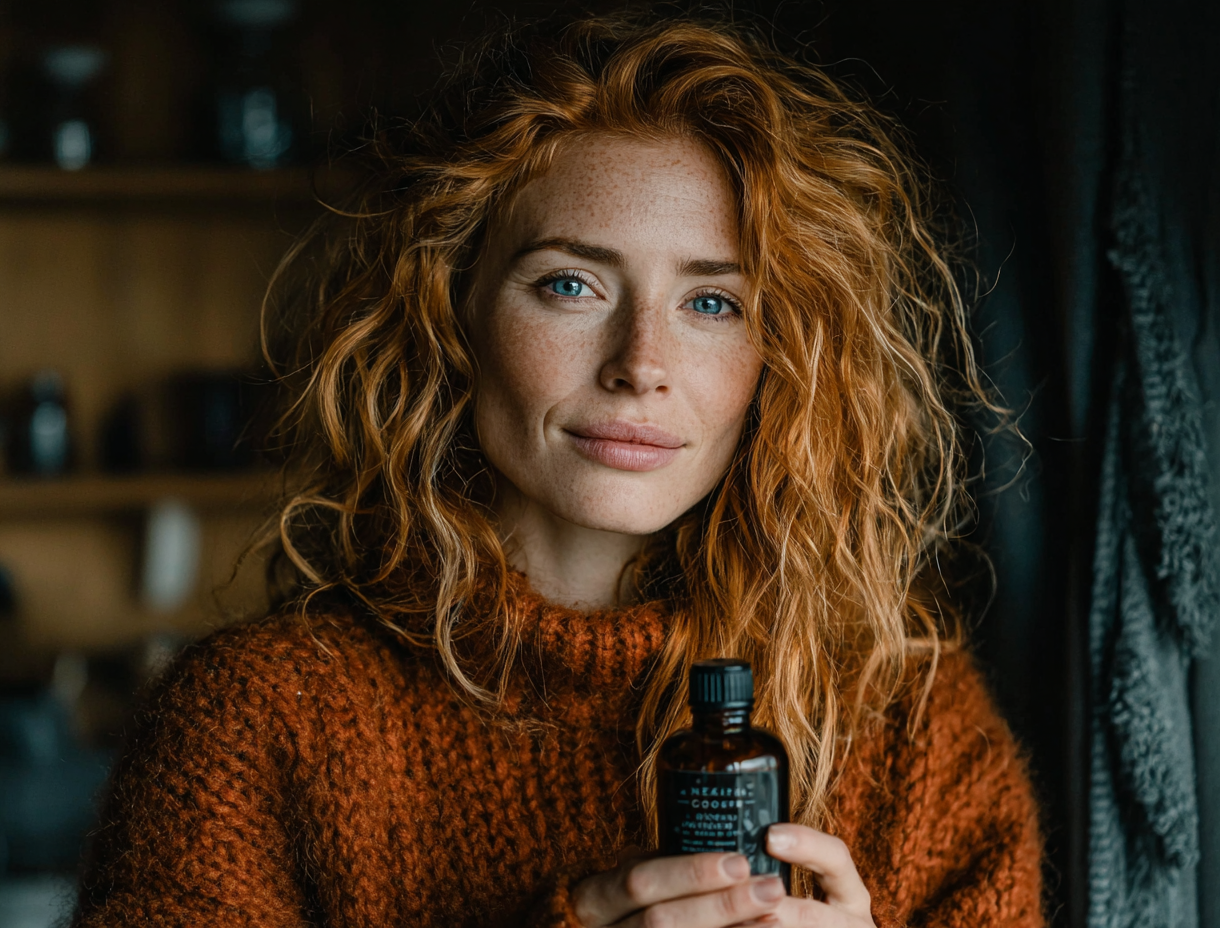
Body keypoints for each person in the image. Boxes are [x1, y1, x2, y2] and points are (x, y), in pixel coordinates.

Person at [73, 12, 1044, 928]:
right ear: (451, 310)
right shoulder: (253, 721)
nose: (641, 363)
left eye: (712, 303)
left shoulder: (911, 723)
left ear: (779, 353)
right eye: (570, 284)